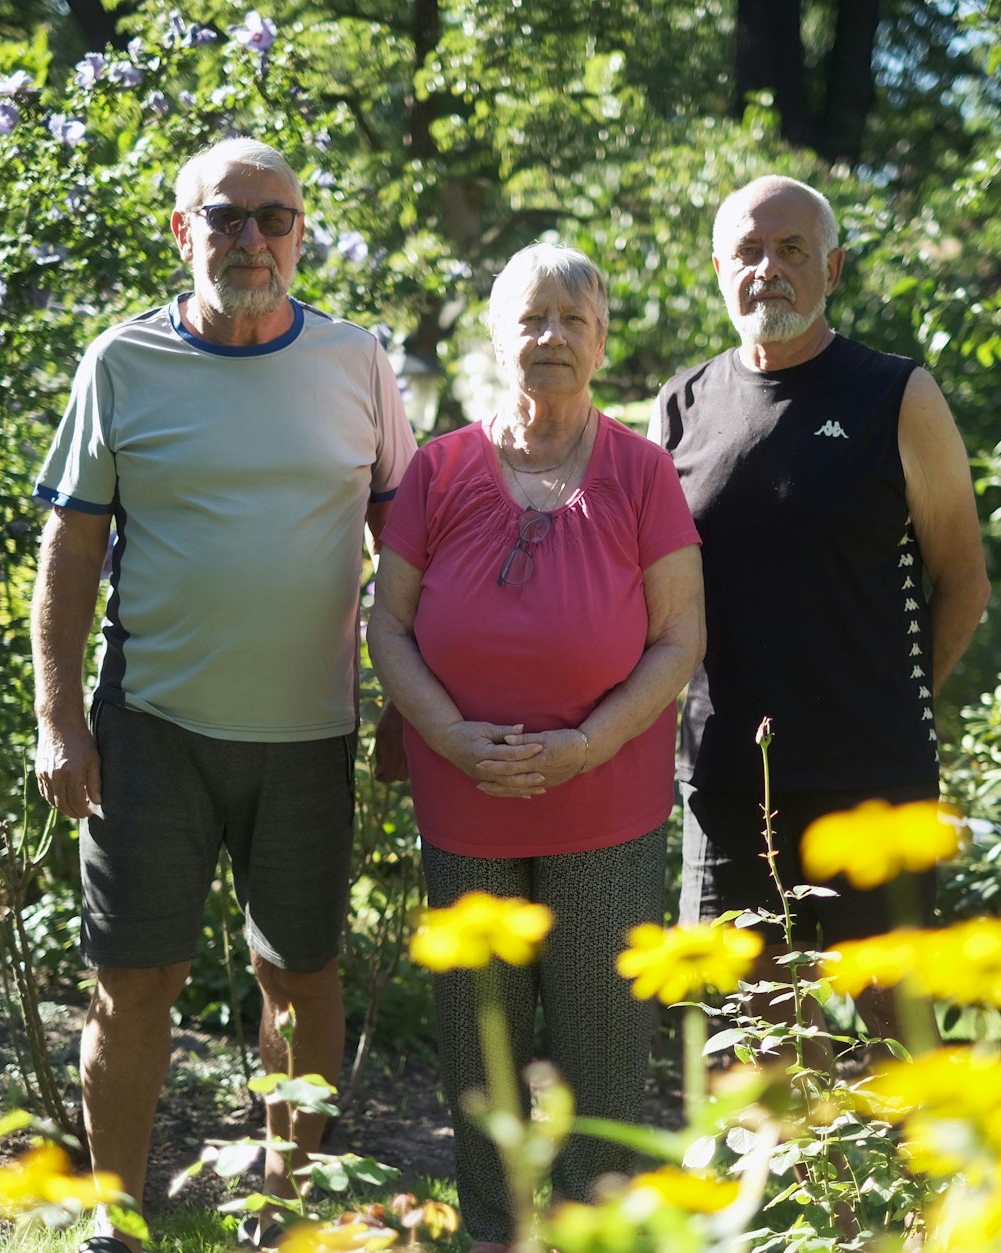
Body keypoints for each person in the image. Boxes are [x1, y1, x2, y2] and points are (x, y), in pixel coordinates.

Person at [29, 136, 418, 1253]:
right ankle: (115, 1217)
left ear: (302, 233)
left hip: (309, 729)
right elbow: (67, 552)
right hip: (151, 723)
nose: (251, 239)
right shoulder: (123, 361)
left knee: (298, 973)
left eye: (274, 218)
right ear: (181, 229)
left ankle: (283, 1215)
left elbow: (405, 537)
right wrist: (59, 716)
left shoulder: (356, 362)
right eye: (226, 216)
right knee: (134, 972)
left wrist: (406, 699)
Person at [368, 243, 703, 1253]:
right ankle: (492, 1234)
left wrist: (587, 741)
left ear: (600, 340)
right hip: (463, 795)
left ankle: (597, 1236)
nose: (550, 336)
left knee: (603, 1044)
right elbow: (386, 624)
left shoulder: (641, 471)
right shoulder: (438, 468)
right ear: (497, 335)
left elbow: (679, 636)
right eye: (529, 317)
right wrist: (448, 732)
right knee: (483, 1046)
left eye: (571, 318)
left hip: (604, 804)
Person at [653, 174, 991, 1048]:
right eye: (749, 252)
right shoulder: (681, 406)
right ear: (720, 268)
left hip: (872, 774)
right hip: (730, 778)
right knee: (749, 1030)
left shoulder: (895, 395)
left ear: (833, 267)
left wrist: (895, 696)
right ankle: (770, 1192)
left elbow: (963, 578)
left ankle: (924, 1192)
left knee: (896, 1024)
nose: (770, 269)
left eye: (793, 249)